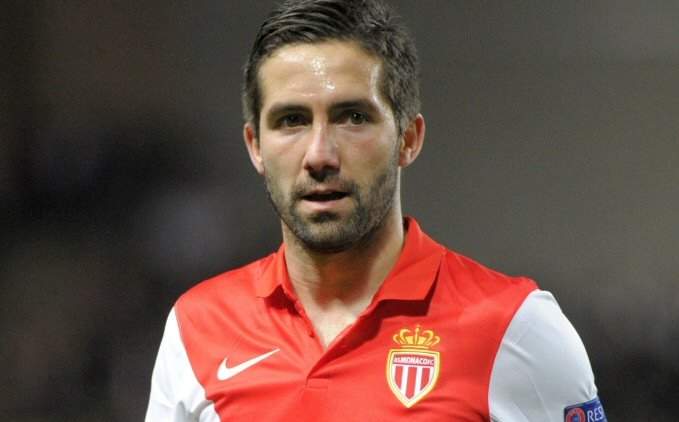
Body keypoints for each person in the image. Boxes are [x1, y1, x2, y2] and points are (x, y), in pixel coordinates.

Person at [145, 0, 606, 421]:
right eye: (292, 121)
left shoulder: (516, 329)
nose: (319, 155)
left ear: (409, 138)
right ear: (255, 146)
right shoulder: (196, 327)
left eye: (353, 117)